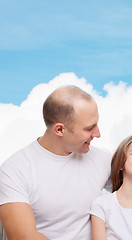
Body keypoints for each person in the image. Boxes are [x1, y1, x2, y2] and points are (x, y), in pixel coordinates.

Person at [0, 86, 112, 240]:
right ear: (59, 130)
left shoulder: (103, 159)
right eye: (89, 128)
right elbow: (23, 236)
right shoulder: (14, 170)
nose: (98, 134)